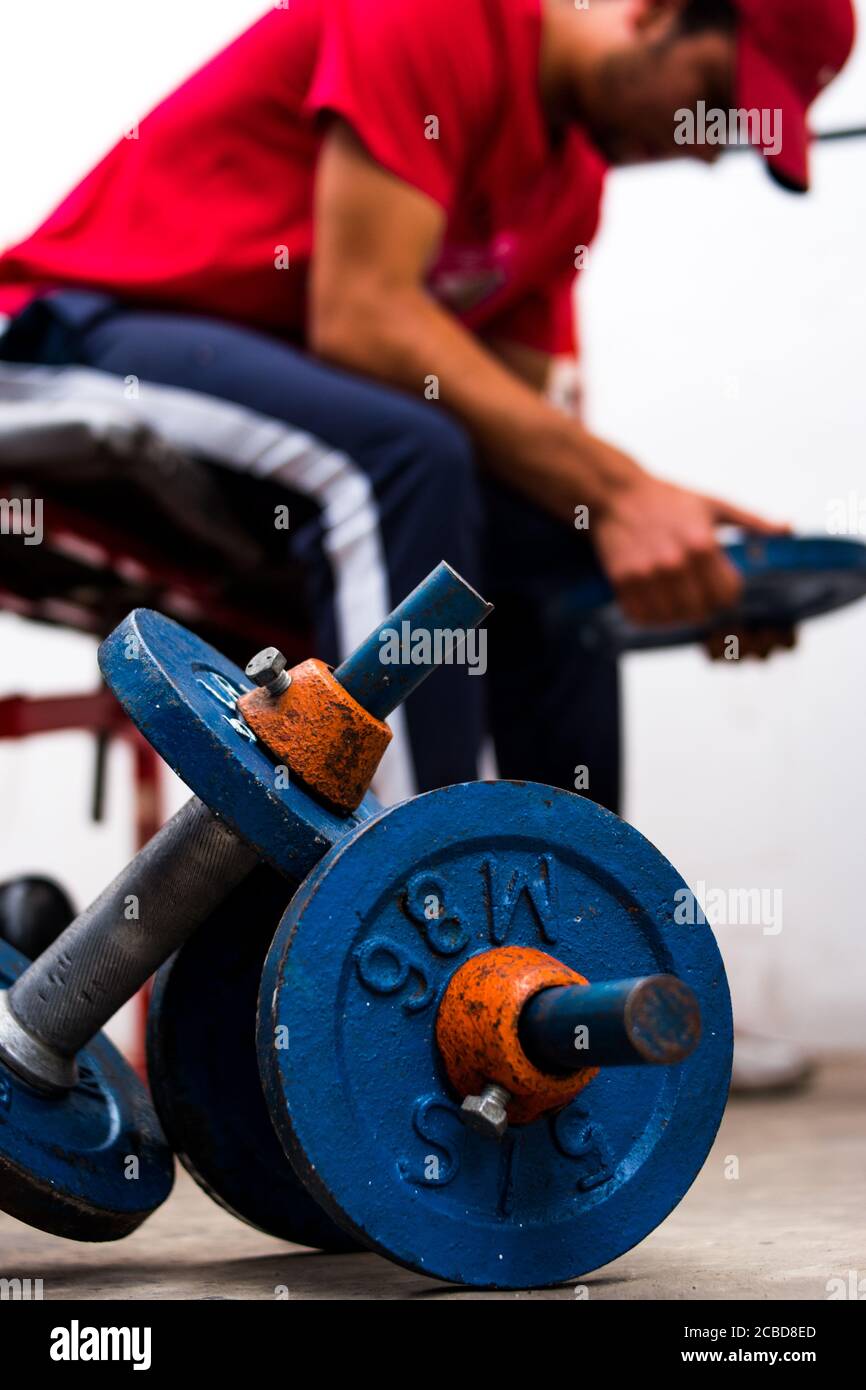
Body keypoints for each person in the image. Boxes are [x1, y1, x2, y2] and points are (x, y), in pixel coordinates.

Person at [0, 0, 854, 815]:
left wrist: (677, 568)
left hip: (270, 420)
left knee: (557, 532)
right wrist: (627, 492)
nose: (707, 149)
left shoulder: (569, 191)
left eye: (734, 131)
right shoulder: (446, 15)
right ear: (662, 9)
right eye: (712, 100)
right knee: (408, 457)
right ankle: (413, 909)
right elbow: (362, 318)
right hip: (75, 336)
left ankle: (571, 932)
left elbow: (512, 448)